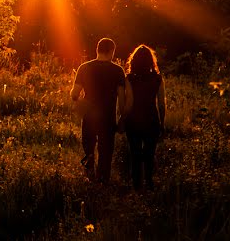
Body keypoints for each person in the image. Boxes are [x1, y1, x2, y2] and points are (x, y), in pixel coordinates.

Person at [70, 37, 126, 184]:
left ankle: (90, 180)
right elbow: (122, 99)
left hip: (88, 116)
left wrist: (79, 102)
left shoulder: (84, 67)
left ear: (97, 50)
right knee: (106, 152)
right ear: (112, 51)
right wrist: (122, 119)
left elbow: (74, 94)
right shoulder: (118, 70)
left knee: (89, 150)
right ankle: (103, 183)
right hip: (108, 118)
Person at [123, 44, 166, 190]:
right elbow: (161, 104)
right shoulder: (158, 79)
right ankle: (149, 182)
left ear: (133, 61)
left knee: (135, 153)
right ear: (150, 61)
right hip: (152, 120)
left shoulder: (128, 78)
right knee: (149, 153)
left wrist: (122, 120)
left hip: (133, 121)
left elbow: (128, 103)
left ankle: (136, 185)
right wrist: (162, 122)